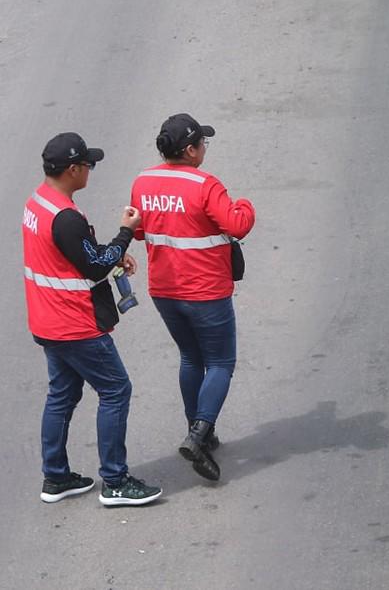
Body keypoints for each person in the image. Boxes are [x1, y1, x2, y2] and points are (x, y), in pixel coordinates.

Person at [23, 132, 163, 506]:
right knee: (116, 390)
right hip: (75, 324)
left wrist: (111, 253)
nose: (90, 170)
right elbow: (94, 265)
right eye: (88, 164)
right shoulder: (65, 217)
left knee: (62, 396)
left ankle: (55, 478)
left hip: (47, 321)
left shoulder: (39, 203)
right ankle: (115, 482)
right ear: (72, 169)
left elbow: (73, 256)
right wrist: (125, 235)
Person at [129, 114, 256, 482]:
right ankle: (199, 433)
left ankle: (199, 429)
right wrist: (245, 204)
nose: (204, 148)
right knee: (220, 363)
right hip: (206, 292)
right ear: (190, 150)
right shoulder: (205, 185)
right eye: (202, 143)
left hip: (165, 292)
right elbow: (237, 224)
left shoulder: (144, 181)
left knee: (190, 358)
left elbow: (138, 232)